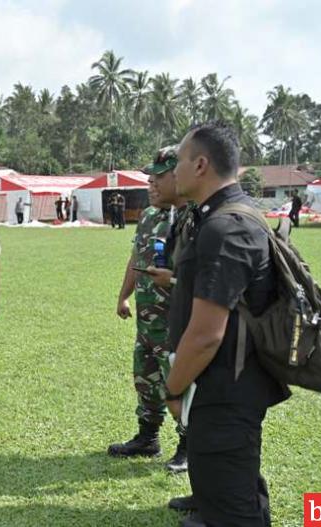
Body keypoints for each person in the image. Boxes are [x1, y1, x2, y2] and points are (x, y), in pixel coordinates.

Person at [166, 122, 290, 526]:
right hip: (223, 386)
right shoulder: (221, 217)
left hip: (224, 390)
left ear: (200, 165)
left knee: (233, 509)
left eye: (179, 161)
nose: (173, 171)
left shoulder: (226, 227)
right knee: (226, 483)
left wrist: (173, 388)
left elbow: (206, 335)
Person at [110, 145, 188, 474]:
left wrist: (173, 281)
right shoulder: (149, 215)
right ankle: (147, 437)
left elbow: (203, 277)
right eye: (149, 179)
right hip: (146, 319)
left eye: (159, 178)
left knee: (178, 382)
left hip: (176, 322)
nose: (151, 185)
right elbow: (136, 259)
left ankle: (189, 443)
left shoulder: (193, 218)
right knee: (145, 377)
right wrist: (123, 296)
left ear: (178, 176)